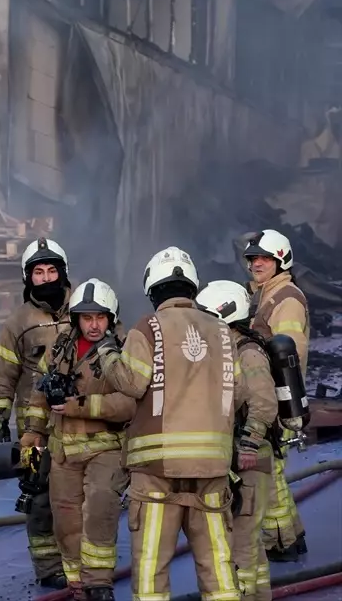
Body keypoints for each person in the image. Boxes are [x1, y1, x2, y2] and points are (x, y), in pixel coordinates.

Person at [93, 246, 241, 601]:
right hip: (213, 470)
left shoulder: (149, 327)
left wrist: (108, 352)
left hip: (158, 470)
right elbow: (241, 391)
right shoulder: (223, 332)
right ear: (192, 287)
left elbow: (132, 383)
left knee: (152, 569)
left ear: (152, 290)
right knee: (219, 566)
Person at [23, 278, 133, 601]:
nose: (94, 325)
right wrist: (33, 432)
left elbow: (129, 402)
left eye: (100, 317)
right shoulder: (59, 350)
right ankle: (76, 581)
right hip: (63, 452)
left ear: (110, 319)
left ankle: (99, 582)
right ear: (76, 319)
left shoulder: (122, 352)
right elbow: (39, 394)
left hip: (105, 449)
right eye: (87, 318)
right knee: (65, 517)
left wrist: (80, 406)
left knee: (100, 507)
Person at [0, 238, 70, 589]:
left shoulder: (88, 310)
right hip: (32, 431)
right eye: (39, 272)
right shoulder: (18, 322)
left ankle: (82, 565)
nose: (47, 277)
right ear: (28, 278)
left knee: (78, 494)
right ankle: (49, 568)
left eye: (52, 270)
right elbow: (4, 375)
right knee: (38, 497)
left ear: (63, 272)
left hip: (80, 423)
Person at [198, 280, 279, 601]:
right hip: (239, 456)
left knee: (241, 542)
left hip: (250, 459)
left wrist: (248, 443)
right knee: (250, 544)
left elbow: (265, 402)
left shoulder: (247, 352)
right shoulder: (229, 347)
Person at [242, 229, 310, 561]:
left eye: (265, 258)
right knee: (273, 472)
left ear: (280, 260)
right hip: (267, 394)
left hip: (277, 397)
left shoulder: (287, 299)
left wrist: (278, 403)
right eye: (253, 258)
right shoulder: (264, 294)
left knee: (269, 473)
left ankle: (282, 543)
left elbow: (288, 355)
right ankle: (291, 537)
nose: (257, 263)